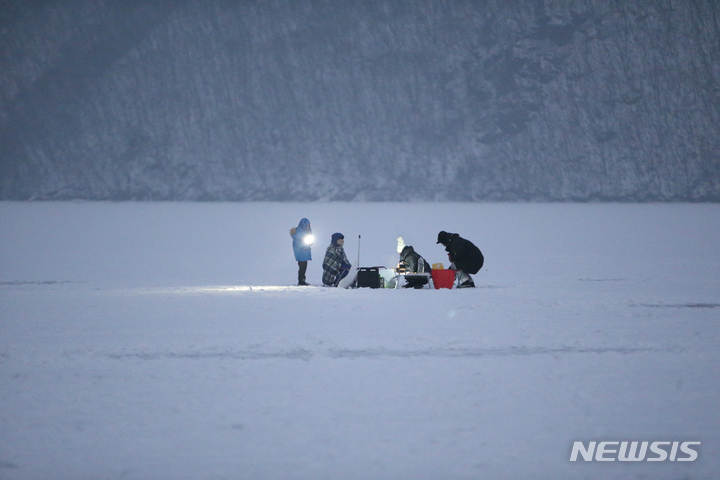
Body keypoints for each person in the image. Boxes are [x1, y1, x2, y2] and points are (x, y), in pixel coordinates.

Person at [290, 218, 313, 286]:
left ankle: (302, 280)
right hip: (301, 253)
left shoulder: (303, 232)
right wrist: (307, 243)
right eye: (307, 225)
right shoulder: (300, 233)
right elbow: (299, 244)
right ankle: (301, 281)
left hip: (303, 253)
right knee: (302, 267)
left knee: (303, 267)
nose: (308, 227)